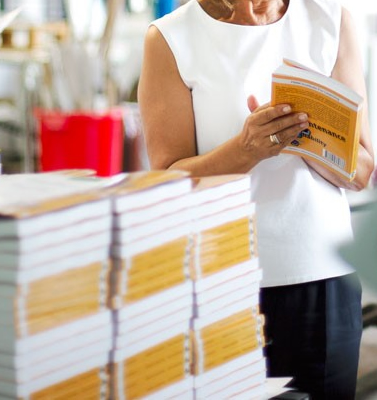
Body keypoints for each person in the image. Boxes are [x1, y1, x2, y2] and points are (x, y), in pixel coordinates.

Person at [137, 0, 375, 399]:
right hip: (220, 283)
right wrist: (247, 149)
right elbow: (168, 181)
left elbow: (363, 171)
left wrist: (309, 137)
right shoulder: (169, 39)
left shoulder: (331, 21)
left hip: (323, 280)